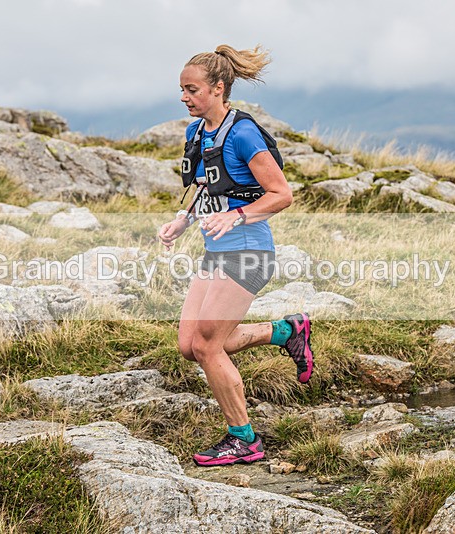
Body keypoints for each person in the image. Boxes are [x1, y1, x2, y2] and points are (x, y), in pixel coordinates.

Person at [157, 44, 314, 467]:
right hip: (215, 252)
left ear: (218, 88)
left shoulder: (243, 133)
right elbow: (208, 187)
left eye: (192, 89)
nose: (184, 97)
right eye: (182, 89)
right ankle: (286, 332)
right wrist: (182, 221)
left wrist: (239, 216)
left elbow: (282, 195)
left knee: (209, 347)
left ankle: (243, 439)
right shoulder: (197, 133)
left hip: (249, 251)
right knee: (190, 345)